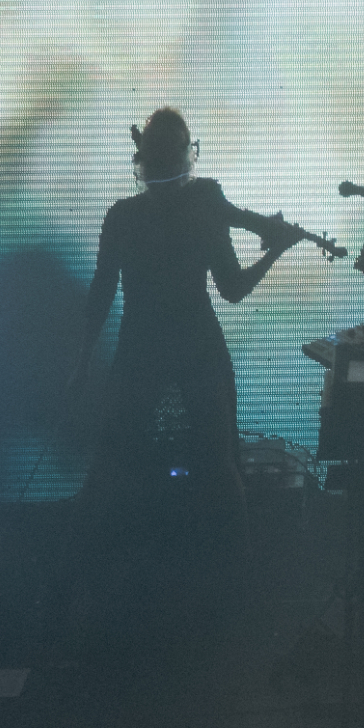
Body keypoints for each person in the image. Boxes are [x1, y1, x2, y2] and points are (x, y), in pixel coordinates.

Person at [70, 108, 303, 557]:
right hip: (198, 347)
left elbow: (100, 295)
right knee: (220, 463)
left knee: (112, 461)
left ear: (143, 159)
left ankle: (92, 562)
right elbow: (233, 288)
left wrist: (81, 364)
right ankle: (236, 566)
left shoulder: (122, 216)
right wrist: (276, 247)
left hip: (140, 347)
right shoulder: (205, 202)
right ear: (185, 156)